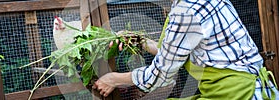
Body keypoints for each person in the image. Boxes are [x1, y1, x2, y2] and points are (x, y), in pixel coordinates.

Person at [92, 0, 279, 99]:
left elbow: (161, 75)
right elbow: (177, 54)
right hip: (249, 90)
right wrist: (141, 41)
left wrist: (114, 79)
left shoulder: (188, 10)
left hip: (240, 95)